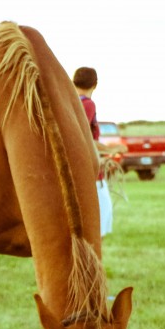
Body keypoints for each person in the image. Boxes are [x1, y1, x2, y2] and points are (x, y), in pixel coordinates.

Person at [73, 66, 112, 237]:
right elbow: (84, 137)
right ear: (95, 85)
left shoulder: (69, 102)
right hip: (91, 175)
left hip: (76, 173)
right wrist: (112, 150)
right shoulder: (87, 104)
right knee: (98, 228)